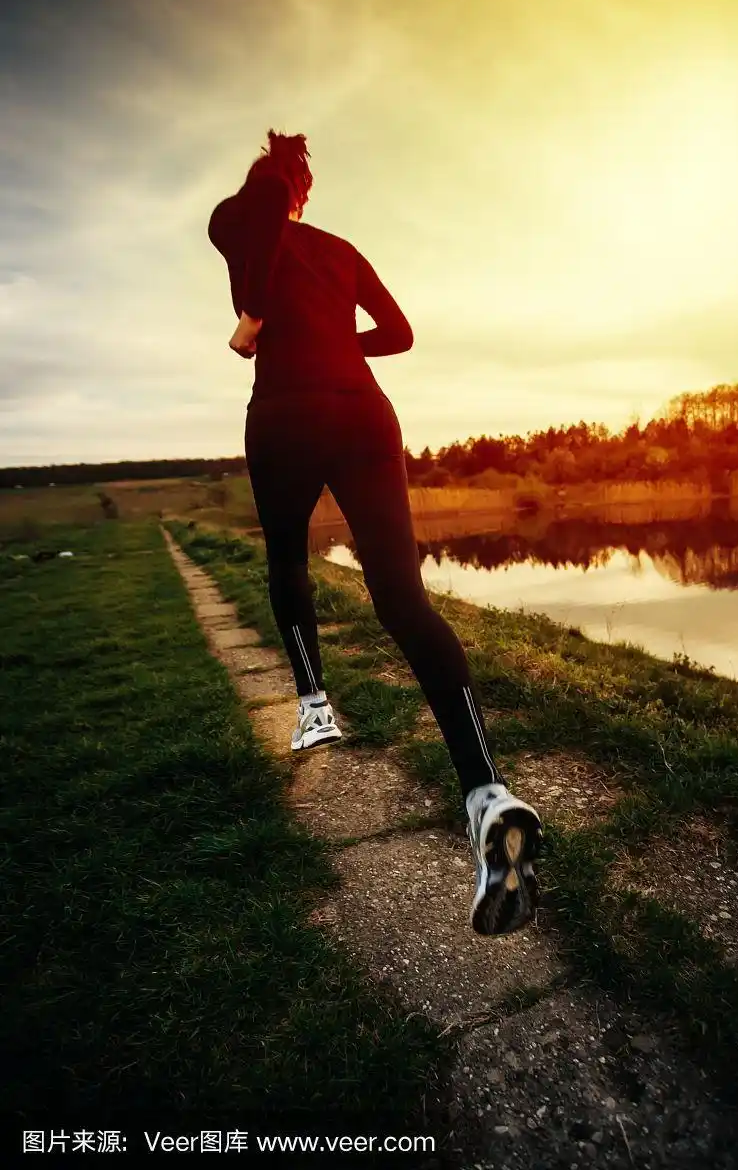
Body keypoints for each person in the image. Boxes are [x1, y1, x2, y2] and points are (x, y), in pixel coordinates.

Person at [208, 129, 543, 936]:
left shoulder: (236, 217)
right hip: (364, 413)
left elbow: (256, 216)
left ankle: (315, 703)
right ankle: (486, 795)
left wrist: (257, 319)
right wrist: (335, 340)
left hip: (287, 413)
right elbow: (398, 334)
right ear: (303, 193)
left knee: (286, 554)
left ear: (267, 186)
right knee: (402, 599)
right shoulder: (337, 246)